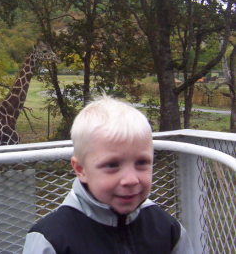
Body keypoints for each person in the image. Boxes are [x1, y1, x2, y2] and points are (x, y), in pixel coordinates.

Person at [22, 96, 194, 253]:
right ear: (81, 169)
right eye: (112, 165)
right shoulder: (51, 240)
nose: (131, 180)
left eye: (141, 162)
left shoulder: (167, 230)